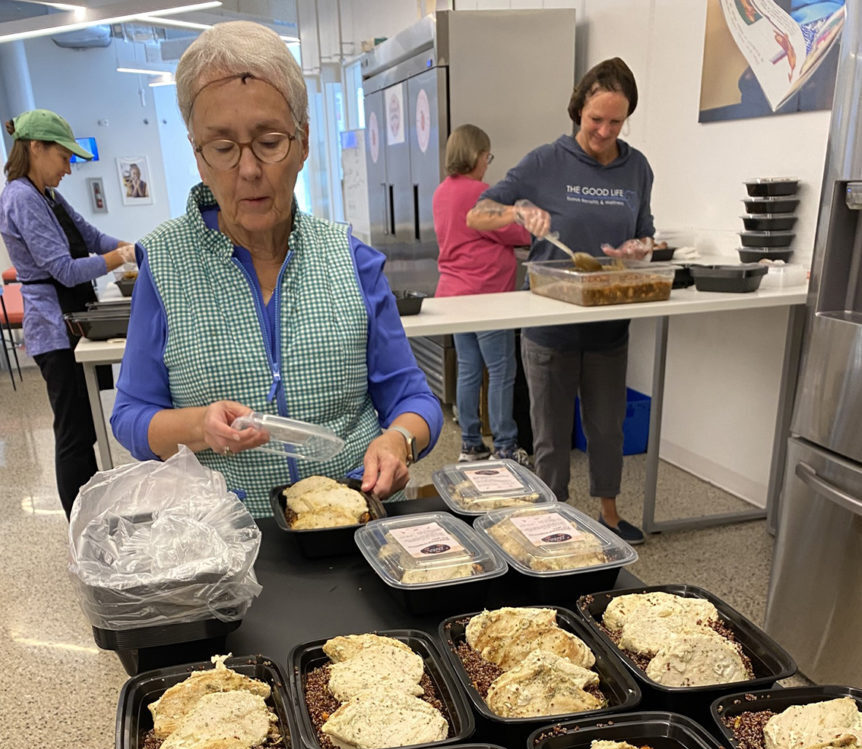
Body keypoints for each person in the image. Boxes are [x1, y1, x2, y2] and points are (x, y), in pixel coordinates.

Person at [111, 21, 441, 518]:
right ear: (198, 158)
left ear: (303, 142)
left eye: (269, 141)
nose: (248, 170)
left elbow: (414, 398)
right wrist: (199, 426)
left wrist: (399, 441)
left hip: (348, 523)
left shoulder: (350, 261)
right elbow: (132, 417)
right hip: (225, 539)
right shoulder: (164, 265)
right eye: (222, 147)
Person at [467, 58, 655, 544]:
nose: (605, 130)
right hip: (549, 328)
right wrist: (517, 209)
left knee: (607, 430)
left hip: (609, 324)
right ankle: (554, 522)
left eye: (616, 121)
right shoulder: (545, 161)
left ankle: (610, 516)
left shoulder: (637, 168)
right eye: (597, 119)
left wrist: (639, 249)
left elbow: (645, 234)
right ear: (578, 110)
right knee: (550, 439)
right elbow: (477, 214)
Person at [0, 109, 135, 516]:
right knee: (73, 432)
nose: (68, 169)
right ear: (36, 148)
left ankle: (94, 510)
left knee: (88, 423)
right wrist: (118, 258)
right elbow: (64, 269)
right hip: (53, 326)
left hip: (70, 316)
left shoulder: (48, 196)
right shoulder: (21, 197)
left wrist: (133, 247)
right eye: (64, 158)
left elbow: (91, 236)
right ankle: (82, 525)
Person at [432, 124, 532, 465]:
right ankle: (505, 445)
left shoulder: (442, 192)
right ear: (476, 155)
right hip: (487, 294)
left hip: (454, 296)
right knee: (502, 371)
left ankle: (471, 444)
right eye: (487, 156)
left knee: (468, 369)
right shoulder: (480, 193)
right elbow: (512, 234)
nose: (487, 163)